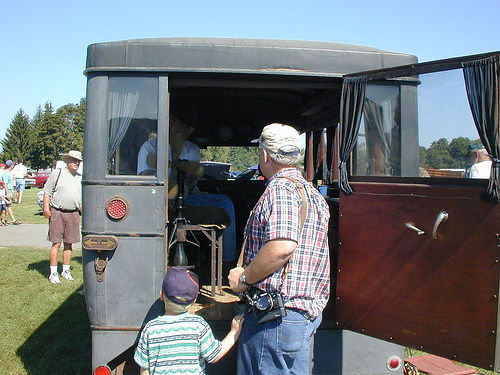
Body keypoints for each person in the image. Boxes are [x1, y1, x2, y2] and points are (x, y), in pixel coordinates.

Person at [228, 123, 331, 375]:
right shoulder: (313, 193)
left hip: (274, 320)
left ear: (264, 155)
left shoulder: (280, 190)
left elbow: (282, 247)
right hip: (298, 317)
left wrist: (244, 277)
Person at [137, 115, 237, 262]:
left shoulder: (192, 150)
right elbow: (146, 179)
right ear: (171, 123)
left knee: (225, 202)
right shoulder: (150, 148)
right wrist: (164, 195)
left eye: (192, 126)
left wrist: (188, 176)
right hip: (156, 201)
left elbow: (189, 183)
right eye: (186, 124)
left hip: (185, 199)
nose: (191, 129)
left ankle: (228, 262)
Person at [134, 267, 244, 375]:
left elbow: (144, 369)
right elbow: (214, 355)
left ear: (161, 295)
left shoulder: (150, 329)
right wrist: (234, 332)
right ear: (194, 300)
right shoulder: (198, 325)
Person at [43, 150, 83, 284]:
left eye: (78, 161)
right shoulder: (58, 173)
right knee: (56, 243)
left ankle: (66, 271)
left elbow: (80, 198)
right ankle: (53, 273)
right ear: (68, 161)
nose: (77, 163)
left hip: (73, 213)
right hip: (57, 212)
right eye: (74, 160)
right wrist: (46, 208)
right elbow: (47, 192)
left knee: (69, 243)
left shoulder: (79, 177)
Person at [1, 160, 21, 225]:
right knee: (9, 206)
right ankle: (13, 220)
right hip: (7, 191)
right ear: (11, 166)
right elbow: (5, 184)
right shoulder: (6, 174)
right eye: (12, 165)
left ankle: (3, 220)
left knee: (4, 207)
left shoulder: (8, 173)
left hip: (9, 190)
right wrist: (7, 193)